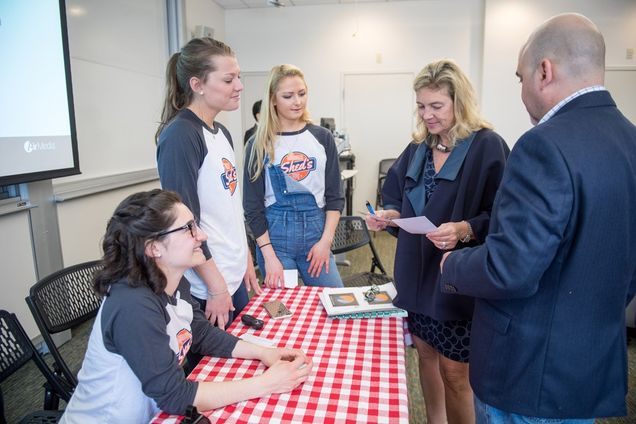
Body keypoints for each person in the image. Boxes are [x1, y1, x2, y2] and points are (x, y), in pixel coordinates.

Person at [440, 13, 636, 423]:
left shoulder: (542, 146)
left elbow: (509, 268)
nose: (521, 90)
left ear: (544, 71)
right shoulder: (630, 140)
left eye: (519, 77)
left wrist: (452, 264)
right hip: (587, 366)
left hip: (527, 375)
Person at [60, 189, 312, 424]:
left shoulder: (172, 279)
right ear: (153, 247)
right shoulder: (132, 306)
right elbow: (175, 396)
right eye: (188, 229)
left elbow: (201, 334)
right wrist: (266, 383)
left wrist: (263, 353)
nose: (202, 236)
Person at [366, 59, 509, 424]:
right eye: (421, 106)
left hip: (455, 279)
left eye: (436, 106)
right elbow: (397, 196)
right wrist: (390, 216)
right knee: (425, 359)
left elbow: (504, 216)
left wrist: (463, 229)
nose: (427, 115)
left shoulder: (487, 147)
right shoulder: (417, 149)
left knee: (455, 373)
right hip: (415, 274)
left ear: (458, 103)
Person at [156, 37, 260, 332]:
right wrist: (215, 286)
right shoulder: (181, 136)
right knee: (215, 369)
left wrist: (245, 259)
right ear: (197, 84)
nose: (239, 86)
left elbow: (228, 208)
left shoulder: (221, 132)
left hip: (231, 269)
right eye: (229, 79)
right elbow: (183, 225)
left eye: (238, 77)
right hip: (207, 284)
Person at [243, 64, 344, 289]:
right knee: (283, 311)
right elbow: (252, 207)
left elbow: (335, 197)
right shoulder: (259, 144)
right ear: (273, 99)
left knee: (333, 304)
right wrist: (269, 257)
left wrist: (325, 243)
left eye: (302, 94)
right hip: (275, 243)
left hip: (316, 237)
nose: (297, 101)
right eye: (288, 96)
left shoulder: (322, 138)